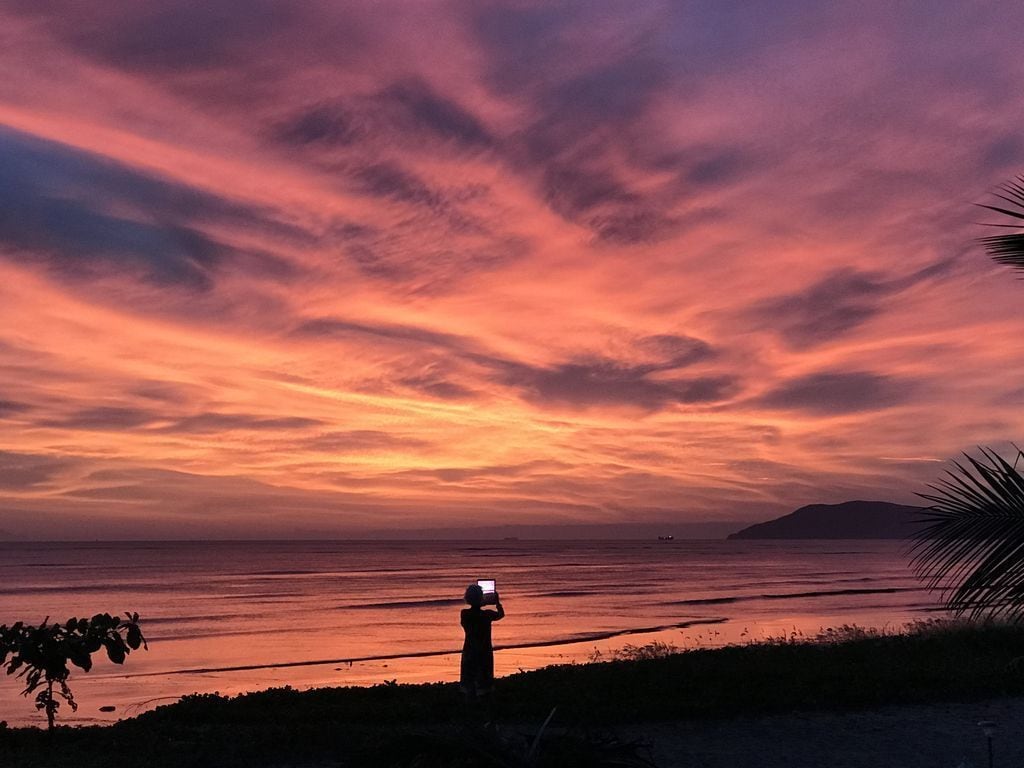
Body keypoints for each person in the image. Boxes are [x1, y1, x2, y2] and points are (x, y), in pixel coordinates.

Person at [460, 583, 504, 704]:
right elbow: (501, 614)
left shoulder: (465, 614)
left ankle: (471, 712)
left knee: (469, 683)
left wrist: (480, 603)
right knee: (484, 683)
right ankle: (485, 712)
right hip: (484, 651)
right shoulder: (486, 614)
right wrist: (497, 603)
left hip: (469, 651)